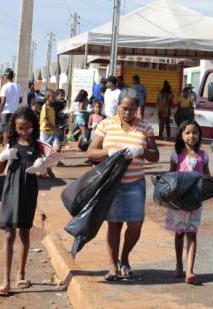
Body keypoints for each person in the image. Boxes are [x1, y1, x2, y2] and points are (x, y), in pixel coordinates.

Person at [87, 89, 159, 281]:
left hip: (135, 183)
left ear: (138, 109)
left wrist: (142, 150)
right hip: (112, 182)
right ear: (117, 106)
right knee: (114, 225)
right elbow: (90, 153)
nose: (128, 113)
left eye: (132, 109)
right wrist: (108, 152)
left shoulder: (145, 127)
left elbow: (155, 156)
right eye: (124, 108)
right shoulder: (106, 125)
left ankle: (125, 257)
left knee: (135, 224)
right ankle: (112, 266)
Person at [0, 107, 41, 296]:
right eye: (20, 128)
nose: (24, 132)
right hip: (11, 189)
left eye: (27, 128)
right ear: (14, 127)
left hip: (29, 190)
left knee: (24, 232)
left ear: (33, 126)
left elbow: (44, 173)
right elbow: (0, 170)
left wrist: (42, 167)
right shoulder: (11, 143)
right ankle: (5, 281)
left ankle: (20, 274)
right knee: (8, 233)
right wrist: (3, 156)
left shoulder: (38, 146)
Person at [164, 120, 210, 284]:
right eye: (188, 133)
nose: (192, 136)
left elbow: (207, 178)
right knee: (179, 233)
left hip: (195, 202)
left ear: (199, 135)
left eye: (195, 133)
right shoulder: (176, 155)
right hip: (178, 202)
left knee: (192, 233)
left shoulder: (203, 156)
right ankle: (179, 265)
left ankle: (190, 270)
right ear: (181, 135)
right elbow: (169, 177)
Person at [39, 89, 58, 177]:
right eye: (53, 97)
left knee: (54, 150)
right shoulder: (45, 107)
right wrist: (55, 128)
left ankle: (49, 168)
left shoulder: (52, 108)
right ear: (47, 97)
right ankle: (43, 171)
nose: (54, 98)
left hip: (52, 132)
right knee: (45, 153)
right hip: (45, 132)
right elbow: (46, 122)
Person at [0, 68, 21, 145]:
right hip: (15, 112)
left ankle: (6, 147)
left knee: (5, 131)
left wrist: (0, 111)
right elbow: (20, 99)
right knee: (13, 131)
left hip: (6, 112)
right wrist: (14, 103)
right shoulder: (18, 86)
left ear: (6, 76)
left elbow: (3, 100)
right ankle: (12, 147)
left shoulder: (5, 86)